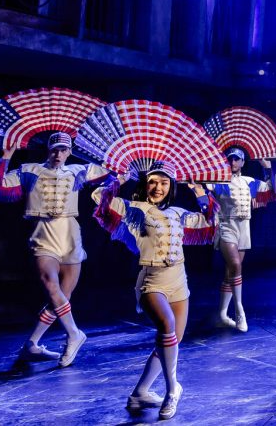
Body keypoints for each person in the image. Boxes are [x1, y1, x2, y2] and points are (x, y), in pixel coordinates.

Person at [93, 162, 217, 419]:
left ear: (171, 186)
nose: (158, 187)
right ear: (145, 184)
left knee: (170, 341)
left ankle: (140, 392)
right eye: (153, 182)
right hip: (152, 281)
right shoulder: (135, 209)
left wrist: (199, 192)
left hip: (179, 280)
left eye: (164, 183)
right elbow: (99, 198)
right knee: (167, 326)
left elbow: (210, 220)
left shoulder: (179, 213)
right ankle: (173, 390)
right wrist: (119, 179)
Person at [0, 130, 110, 366]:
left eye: (63, 150)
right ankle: (74, 334)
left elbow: (110, 172)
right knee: (51, 285)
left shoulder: (78, 171)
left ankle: (32, 344)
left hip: (70, 233)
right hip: (43, 233)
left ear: (69, 152)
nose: (58, 154)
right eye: (55, 149)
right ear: (48, 150)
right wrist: (5, 157)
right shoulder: (30, 170)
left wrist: (118, 162)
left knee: (63, 296)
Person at [210, 147, 276, 331]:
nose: (233, 162)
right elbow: (201, 185)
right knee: (235, 265)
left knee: (231, 271)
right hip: (226, 225)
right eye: (230, 159)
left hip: (244, 227)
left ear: (242, 162)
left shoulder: (249, 182)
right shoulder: (219, 181)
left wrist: (268, 168)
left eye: (236, 159)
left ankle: (222, 314)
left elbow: (271, 190)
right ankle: (240, 310)